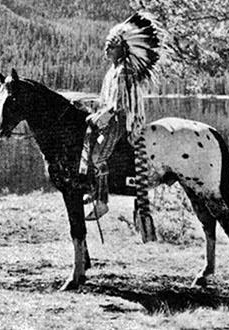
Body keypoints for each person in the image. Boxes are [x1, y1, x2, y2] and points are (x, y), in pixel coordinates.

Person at [79, 12, 163, 220]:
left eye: (111, 46)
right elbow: (106, 100)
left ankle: (102, 202)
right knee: (87, 147)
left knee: (98, 156)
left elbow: (120, 104)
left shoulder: (124, 71)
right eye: (107, 46)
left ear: (122, 49)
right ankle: (94, 191)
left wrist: (102, 115)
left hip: (121, 121)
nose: (106, 50)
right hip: (112, 118)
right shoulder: (113, 70)